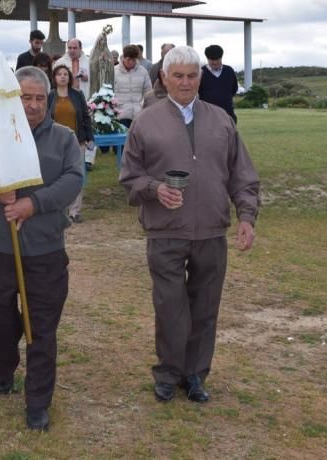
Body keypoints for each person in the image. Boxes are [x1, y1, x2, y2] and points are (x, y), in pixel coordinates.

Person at [119, 45, 259, 405]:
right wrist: (155, 189)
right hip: (165, 231)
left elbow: (242, 175)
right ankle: (168, 373)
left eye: (192, 75)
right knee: (170, 306)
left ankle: (196, 374)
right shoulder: (145, 122)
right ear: (163, 78)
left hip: (211, 230)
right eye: (177, 75)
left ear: (201, 77)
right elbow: (129, 178)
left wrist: (246, 216)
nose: (185, 82)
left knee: (205, 306)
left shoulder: (222, 120)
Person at [0, 66, 84, 432]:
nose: (33, 105)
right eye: (25, 97)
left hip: (44, 249)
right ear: (12, 99)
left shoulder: (63, 139)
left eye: (40, 98)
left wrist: (34, 204)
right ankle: (3, 366)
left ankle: (38, 401)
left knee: (43, 326)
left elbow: (73, 178)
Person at [47, 65, 93, 223]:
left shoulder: (78, 95)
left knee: (76, 175)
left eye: (65, 74)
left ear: (69, 77)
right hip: (55, 142)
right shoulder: (50, 96)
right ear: (54, 77)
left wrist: (90, 137)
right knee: (56, 177)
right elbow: (45, 119)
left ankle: (75, 211)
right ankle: (59, 208)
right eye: (59, 74)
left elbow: (86, 117)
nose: (62, 77)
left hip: (76, 141)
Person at [198, 44, 239, 123]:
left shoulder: (229, 71)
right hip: (208, 117)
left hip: (228, 115)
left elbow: (234, 89)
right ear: (207, 59)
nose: (215, 63)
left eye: (218, 60)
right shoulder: (201, 73)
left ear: (221, 57)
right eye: (212, 61)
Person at [114, 45, 152, 127]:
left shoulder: (143, 71)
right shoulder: (114, 72)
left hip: (139, 115)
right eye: (128, 59)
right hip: (121, 116)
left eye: (134, 60)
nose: (131, 62)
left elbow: (148, 91)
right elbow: (110, 93)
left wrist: (142, 105)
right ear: (123, 57)